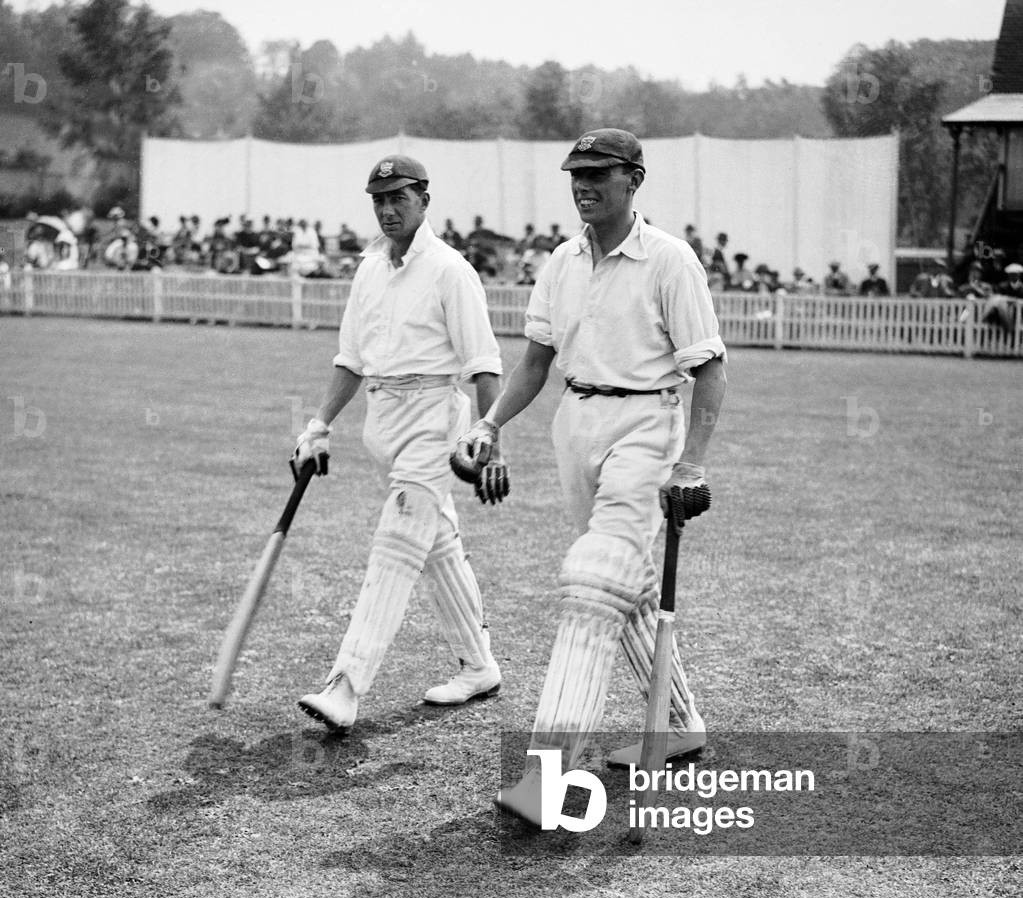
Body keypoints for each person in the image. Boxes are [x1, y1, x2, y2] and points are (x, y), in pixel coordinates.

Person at [451, 128, 726, 825]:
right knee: (621, 591)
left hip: (645, 426)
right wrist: (490, 425)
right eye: (576, 173)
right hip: (575, 426)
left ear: (634, 179)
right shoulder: (561, 261)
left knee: (590, 587)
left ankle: (547, 778)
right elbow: (535, 361)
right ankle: (680, 724)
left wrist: (690, 460)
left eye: (599, 173)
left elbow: (707, 368)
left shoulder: (669, 260)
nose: (583, 184)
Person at [294, 154, 504, 732]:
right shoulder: (369, 268)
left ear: (424, 201)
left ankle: (347, 683)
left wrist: (490, 436)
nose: (388, 210)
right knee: (434, 542)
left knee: (394, 545)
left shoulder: (450, 270)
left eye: (399, 199)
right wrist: (319, 424)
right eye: (380, 200)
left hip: (435, 418)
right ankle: (479, 665)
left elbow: (485, 364)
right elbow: (352, 359)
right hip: (383, 419)